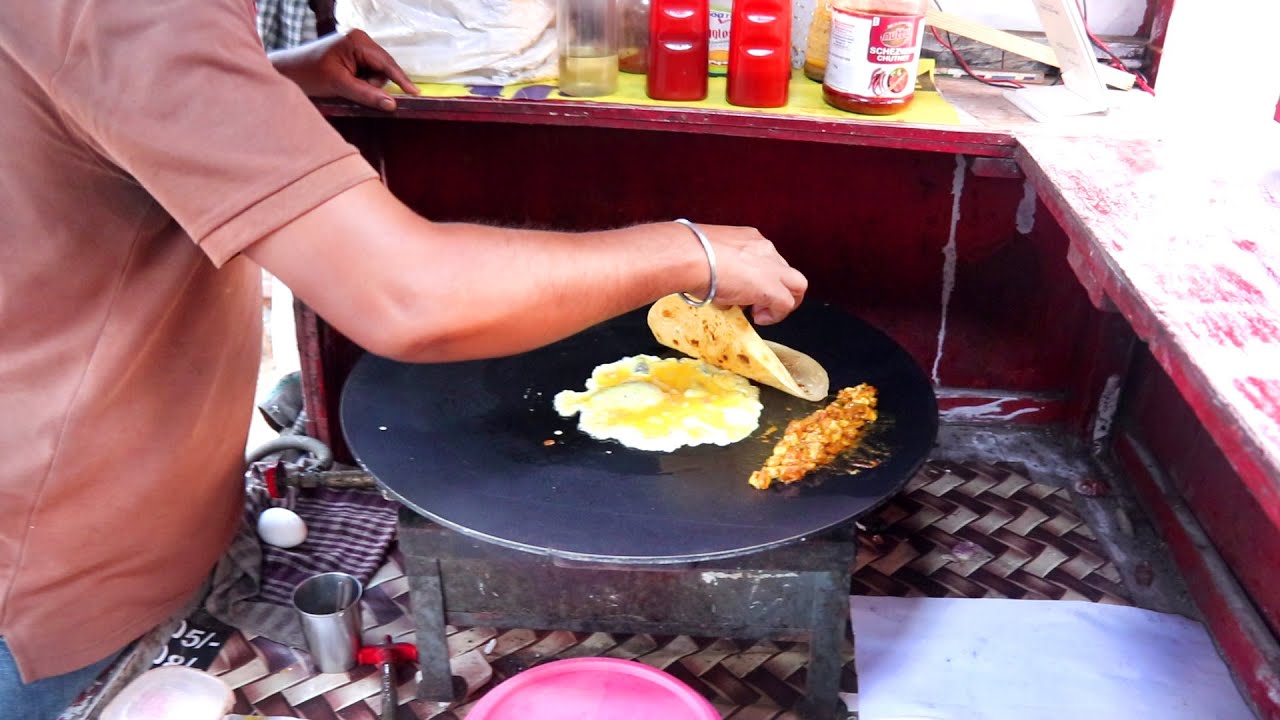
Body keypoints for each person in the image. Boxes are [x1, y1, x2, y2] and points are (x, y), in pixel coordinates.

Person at [0, 1, 807, 717]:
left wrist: (265, 83)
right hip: (50, 572)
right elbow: (407, 298)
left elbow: (71, 106)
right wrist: (683, 250)